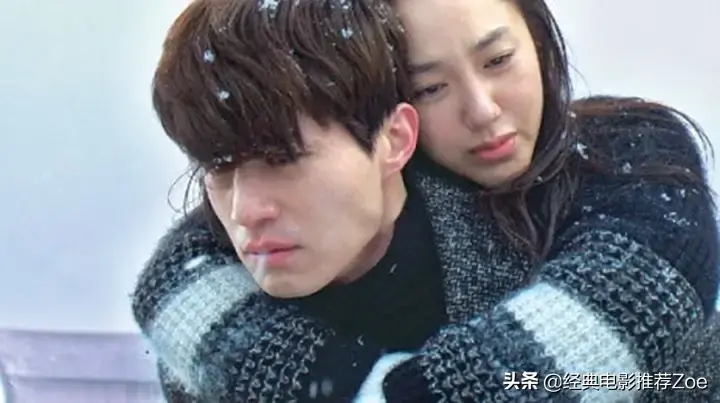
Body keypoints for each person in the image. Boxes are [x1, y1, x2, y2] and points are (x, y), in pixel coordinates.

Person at [132, 0, 720, 401]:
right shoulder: (235, 278)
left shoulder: (621, 155)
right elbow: (178, 272)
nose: (482, 111)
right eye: (429, 86)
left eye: (498, 60)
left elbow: (640, 311)